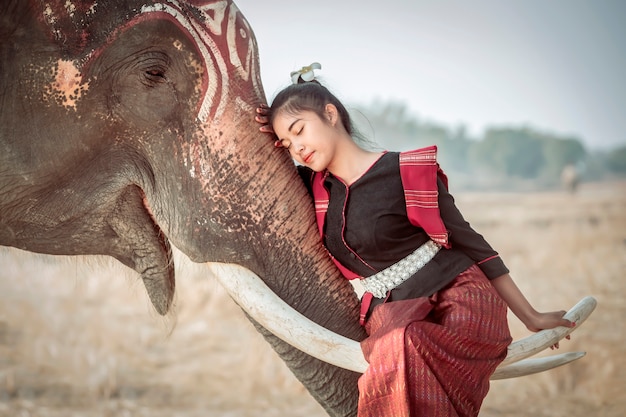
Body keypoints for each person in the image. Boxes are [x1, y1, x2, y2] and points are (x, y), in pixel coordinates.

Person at [255, 63, 575, 417]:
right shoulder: (312, 189)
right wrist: (252, 131)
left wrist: (529, 315)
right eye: (286, 143)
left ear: (330, 114)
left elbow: (474, 245)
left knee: (404, 345)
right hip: (391, 317)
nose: (297, 148)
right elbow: (258, 170)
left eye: (299, 131)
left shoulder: (406, 171)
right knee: (400, 344)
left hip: (458, 301)